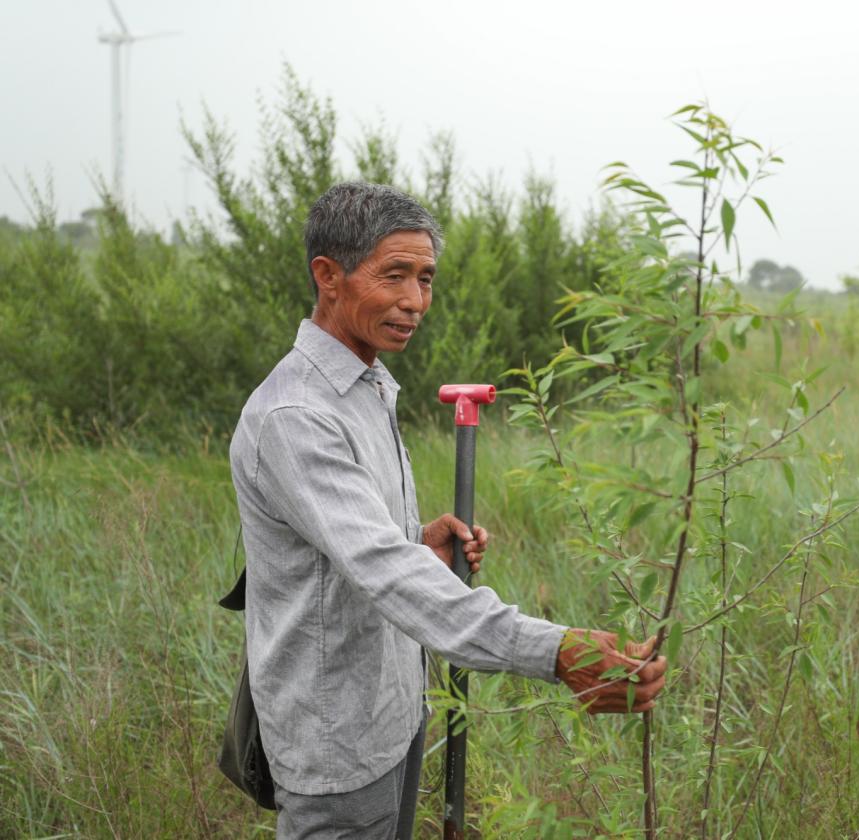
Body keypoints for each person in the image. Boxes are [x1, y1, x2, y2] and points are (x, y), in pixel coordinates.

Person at [229, 181, 666, 839]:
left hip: (393, 707)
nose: (414, 301)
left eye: (425, 278)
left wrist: (415, 538)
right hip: (337, 738)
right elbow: (385, 574)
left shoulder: (365, 383)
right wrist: (558, 652)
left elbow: (368, 548)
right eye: (394, 275)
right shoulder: (297, 417)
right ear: (328, 276)